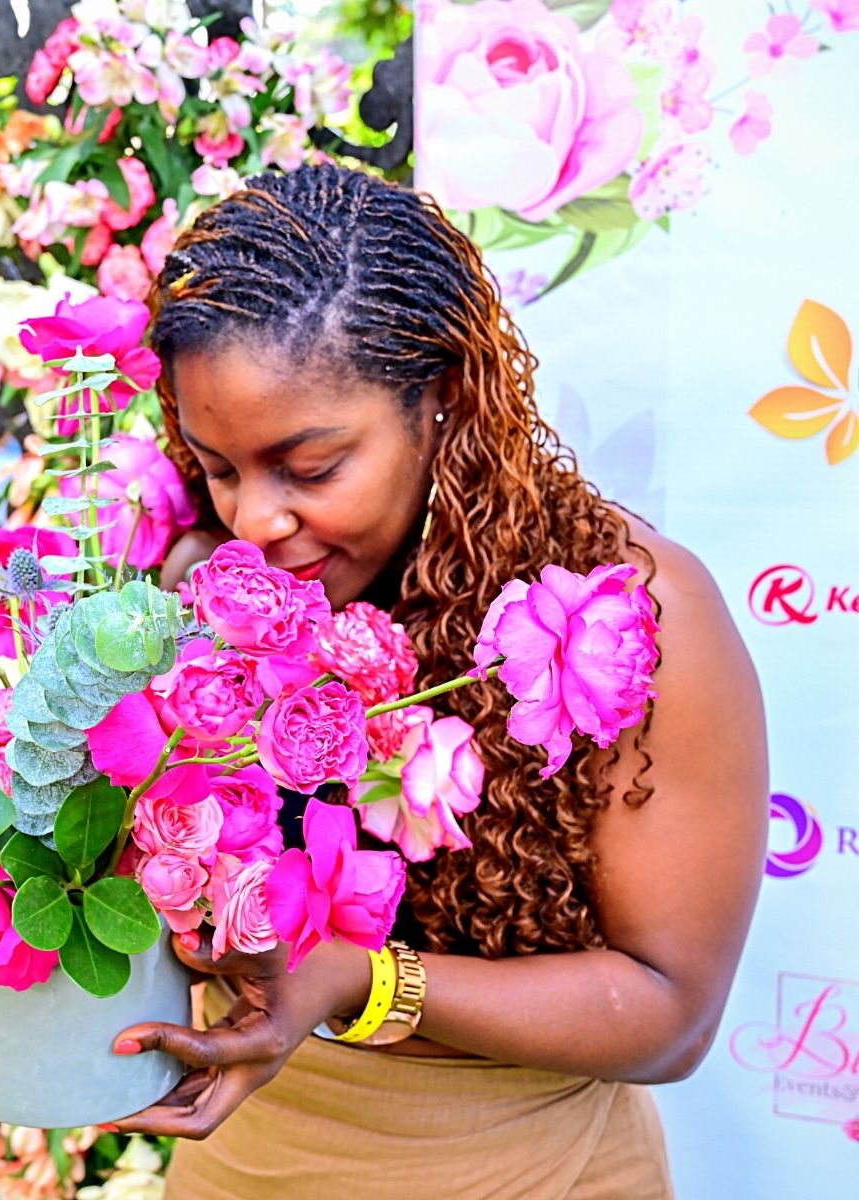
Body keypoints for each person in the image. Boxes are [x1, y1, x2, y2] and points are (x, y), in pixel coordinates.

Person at [111, 162, 768, 1199]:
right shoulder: (204, 590)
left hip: (529, 1176)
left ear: (444, 400)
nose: (252, 521)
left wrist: (365, 981)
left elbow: (670, 1009)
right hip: (240, 1170)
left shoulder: (635, 618)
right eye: (221, 465)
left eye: (312, 467)